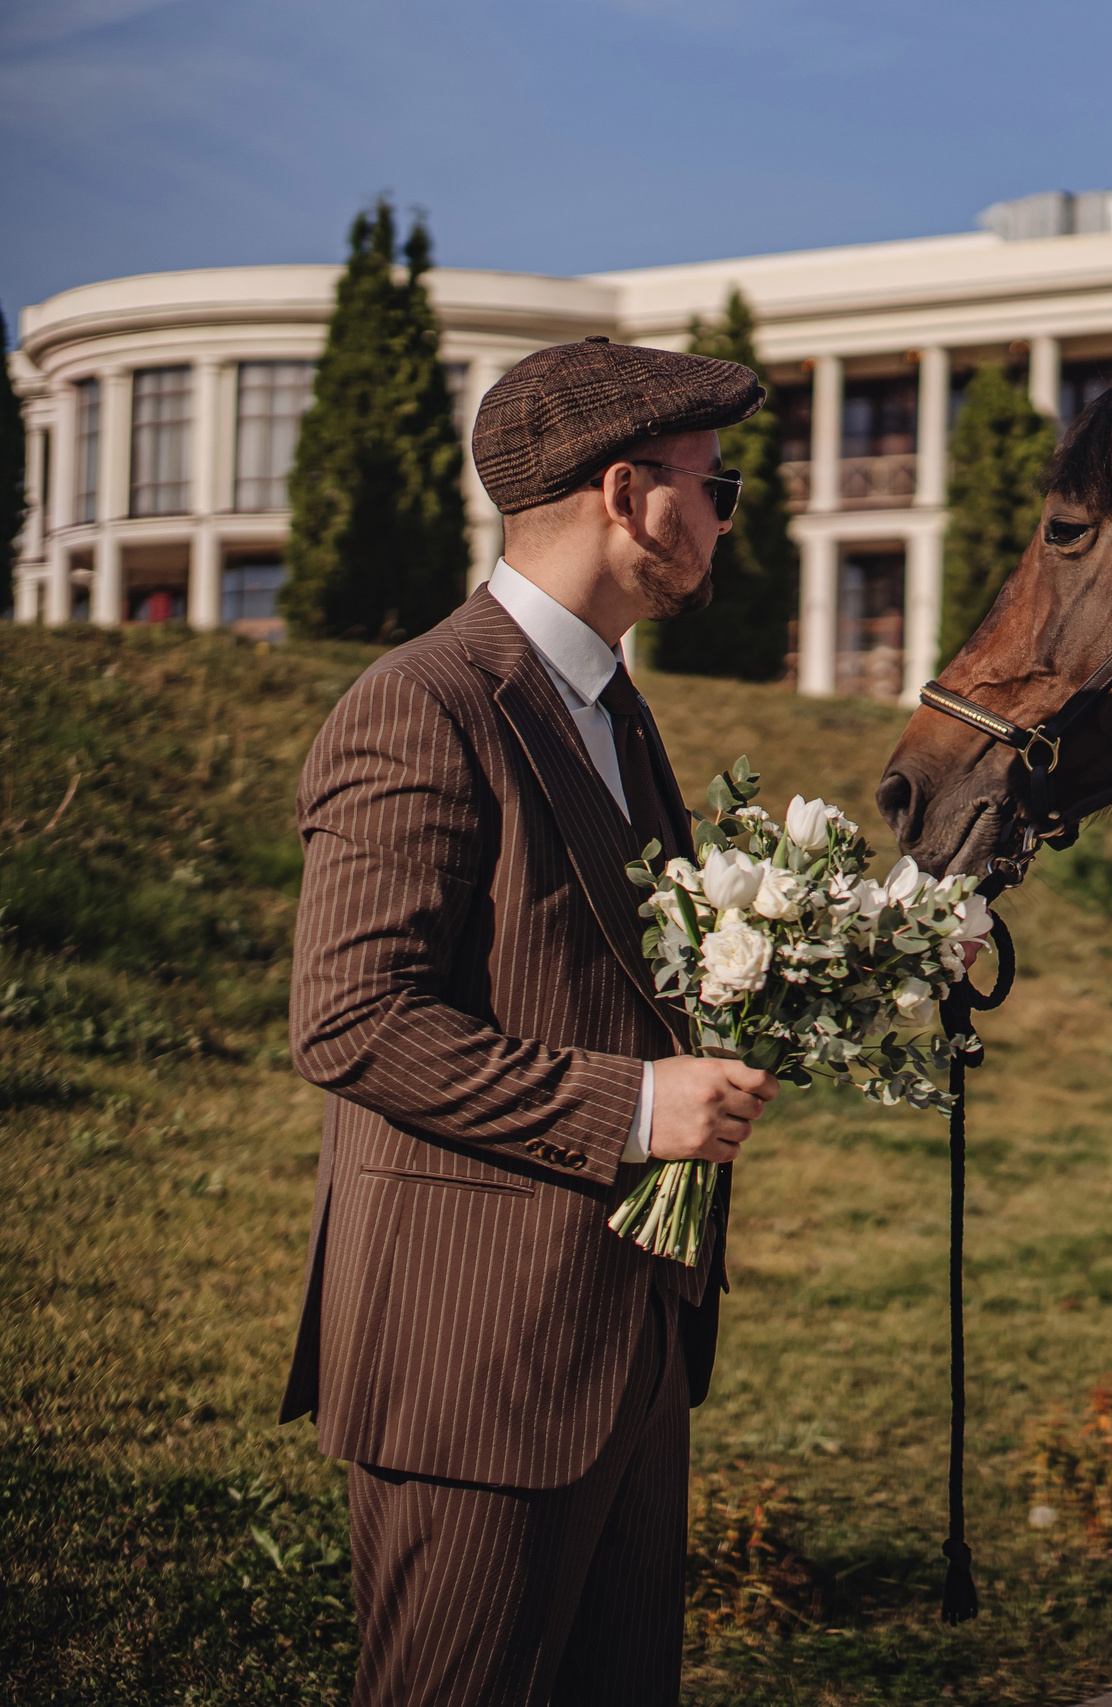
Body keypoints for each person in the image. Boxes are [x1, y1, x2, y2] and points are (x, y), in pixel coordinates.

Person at [281, 336, 783, 1705]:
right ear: (629, 495)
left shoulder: (617, 707)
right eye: (714, 484)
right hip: (476, 1360)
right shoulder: (420, 704)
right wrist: (631, 1106)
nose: (728, 513)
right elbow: (351, 1018)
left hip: (630, 1342)